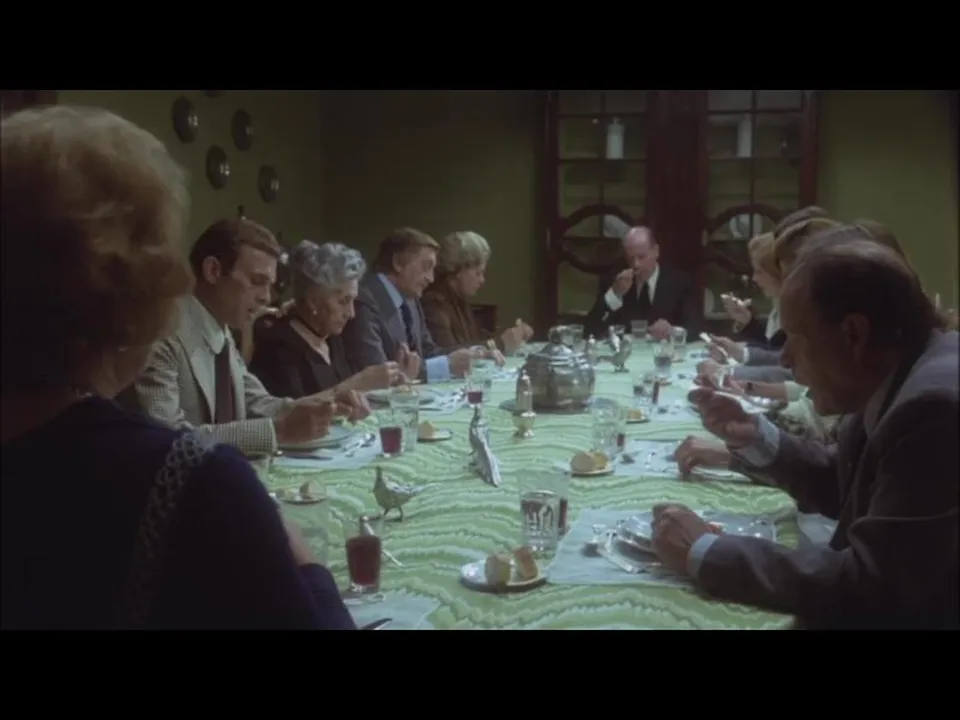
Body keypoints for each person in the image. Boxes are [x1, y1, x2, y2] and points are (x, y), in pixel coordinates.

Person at [1, 105, 355, 629]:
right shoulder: (194, 481)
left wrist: (310, 406)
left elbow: (254, 397)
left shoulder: (223, 332)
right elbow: (174, 436)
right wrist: (307, 565)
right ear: (138, 280)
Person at [653, 229, 958, 629]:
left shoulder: (933, 409)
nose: (783, 358)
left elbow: (874, 587)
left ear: (854, 334)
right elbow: (845, 484)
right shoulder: (896, 374)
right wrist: (754, 436)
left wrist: (706, 552)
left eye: (796, 338)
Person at [131, 218, 369, 457]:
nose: (266, 297)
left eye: (270, 285)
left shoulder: (220, 330)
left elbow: (259, 403)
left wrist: (330, 403)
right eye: (257, 282)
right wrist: (278, 432)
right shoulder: (161, 334)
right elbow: (166, 439)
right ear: (213, 271)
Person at [251, 239, 410, 398]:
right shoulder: (276, 348)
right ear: (313, 301)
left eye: (353, 301)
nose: (351, 313)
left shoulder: (332, 338)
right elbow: (292, 410)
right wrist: (359, 384)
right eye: (343, 301)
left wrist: (391, 382)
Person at [341, 227, 476, 382]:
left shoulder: (411, 300)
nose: (431, 278)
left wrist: (473, 355)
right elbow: (378, 374)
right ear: (398, 262)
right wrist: (445, 366)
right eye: (426, 267)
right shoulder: (363, 302)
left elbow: (428, 352)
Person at [421, 230, 533, 356]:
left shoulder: (459, 300)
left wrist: (511, 336)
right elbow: (450, 355)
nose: (482, 280)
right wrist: (499, 343)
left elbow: (474, 341)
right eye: (478, 273)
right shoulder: (434, 303)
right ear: (458, 270)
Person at [584, 226, 699, 340]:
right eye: (630, 258)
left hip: (664, 350)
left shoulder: (680, 282)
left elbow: (695, 328)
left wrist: (671, 332)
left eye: (641, 257)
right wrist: (615, 294)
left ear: (656, 251)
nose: (636, 264)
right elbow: (590, 329)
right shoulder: (615, 280)